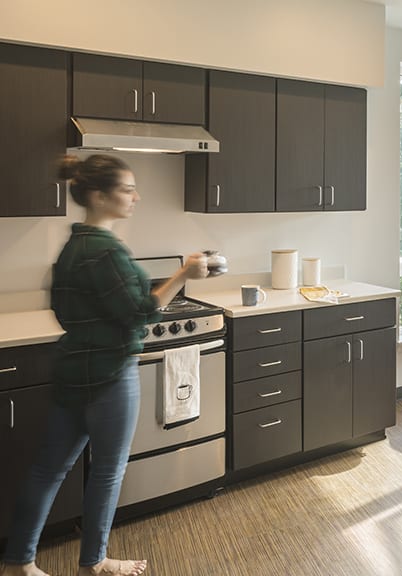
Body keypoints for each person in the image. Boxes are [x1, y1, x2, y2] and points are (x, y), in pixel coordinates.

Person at [0, 155, 209, 576]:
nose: (136, 196)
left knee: (48, 470)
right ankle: (93, 563)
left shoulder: (72, 248)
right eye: (127, 189)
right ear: (99, 196)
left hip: (72, 370)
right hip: (112, 375)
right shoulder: (109, 249)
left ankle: (18, 562)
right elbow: (141, 313)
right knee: (108, 473)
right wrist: (184, 273)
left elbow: (63, 308)